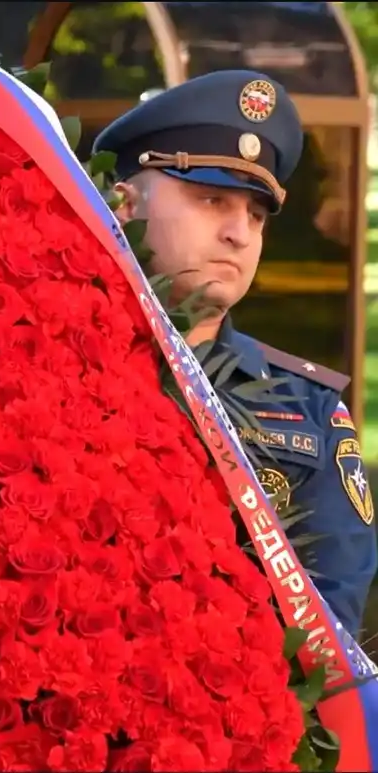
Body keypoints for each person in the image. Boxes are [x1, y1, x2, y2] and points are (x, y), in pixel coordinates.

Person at [95, 70, 378, 635]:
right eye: (210, 198)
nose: (240, 234)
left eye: (255, 213)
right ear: (124, 204)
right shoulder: (57, 356)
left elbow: (328, 633)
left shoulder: (311, 406)